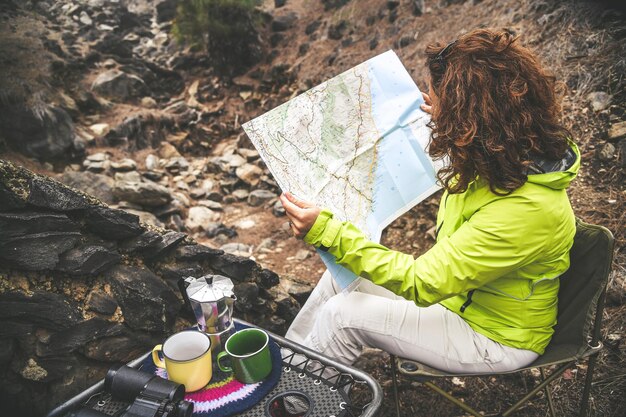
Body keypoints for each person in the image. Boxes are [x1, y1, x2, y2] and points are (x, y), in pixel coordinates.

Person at [278, 28, 580, 373]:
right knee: (339, 276)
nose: (432, 110)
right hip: (459, 301)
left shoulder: (527, 212)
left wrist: (327, 231)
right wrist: (447, 120)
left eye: (438, 102)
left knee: (343, 317)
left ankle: (297, 404)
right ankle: (287, 370)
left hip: (494, 336)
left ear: (472, 120)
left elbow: (423, 282)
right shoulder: (507, 157)